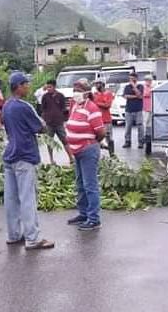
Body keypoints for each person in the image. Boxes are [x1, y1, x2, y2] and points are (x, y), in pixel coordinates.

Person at [2, 72, 54, 250]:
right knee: (27, 198)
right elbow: (41, 127)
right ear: (19, 86)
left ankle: (13, 234)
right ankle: (33, 238)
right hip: (24, 155)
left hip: (10, 154)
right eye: (26, 84)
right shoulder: (24, 106)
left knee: (11, 198)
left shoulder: (7, 105)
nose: (28, 87)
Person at [66, 80, 106, 231]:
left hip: (88, 150)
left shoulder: (92, 108)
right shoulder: (75, 105)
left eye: (78, 90)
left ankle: (94, 219)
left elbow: (101, 132)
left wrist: (91, 142)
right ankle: (83, 213)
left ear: (86, 92)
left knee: (90, 185)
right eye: (74, 89)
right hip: (77, 151)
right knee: (80, 184)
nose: (75, 92)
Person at [40, 79, 70, 164]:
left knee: (64, 140)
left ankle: (71, 158)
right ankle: (51, 159)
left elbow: (63, 109)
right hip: (49, 123)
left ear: (54, 87)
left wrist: (64, 120)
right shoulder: (45, 97)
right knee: (50, 142)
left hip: (59, 122)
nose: (48, 89)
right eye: (47, 87)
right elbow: (43, 109)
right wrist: (44, 120)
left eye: (50, 87)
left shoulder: (60, 96)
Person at [93, 79, 115, 156]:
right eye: (95, 84)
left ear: (102, 84)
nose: (96, 86)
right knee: (96, 138)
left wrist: (97, 103)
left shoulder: (108, 93)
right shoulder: (95, 94)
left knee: (109, 138)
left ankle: (112, 154)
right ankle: (96, 154)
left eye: (97, 84)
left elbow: (107, 105)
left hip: (106, 119)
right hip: (97, 120)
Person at [122, 72, 144, 149]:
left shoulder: (140, 86)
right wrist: (136, 96)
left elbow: (140, 96)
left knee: (140, 126)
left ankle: (141, 142)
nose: (130, 80)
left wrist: (134, 87)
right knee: (128, 126)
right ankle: (127, 141)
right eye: (130, 78)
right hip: (129, 109)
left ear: (136, 78)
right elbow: (125, 96)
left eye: (132, 78)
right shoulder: (127, 87)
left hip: (138, 109)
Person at [142, 75, 155, 144]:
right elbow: (145, 94)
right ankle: (143, 136)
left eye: (150, 80)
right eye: (148, 80)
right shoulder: (143, 87)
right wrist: (151, 90)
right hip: (145, 107)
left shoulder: (152, 87)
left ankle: (148, 135)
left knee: (149, 123)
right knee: (144, 122)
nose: (149, 82)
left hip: (151, 107)